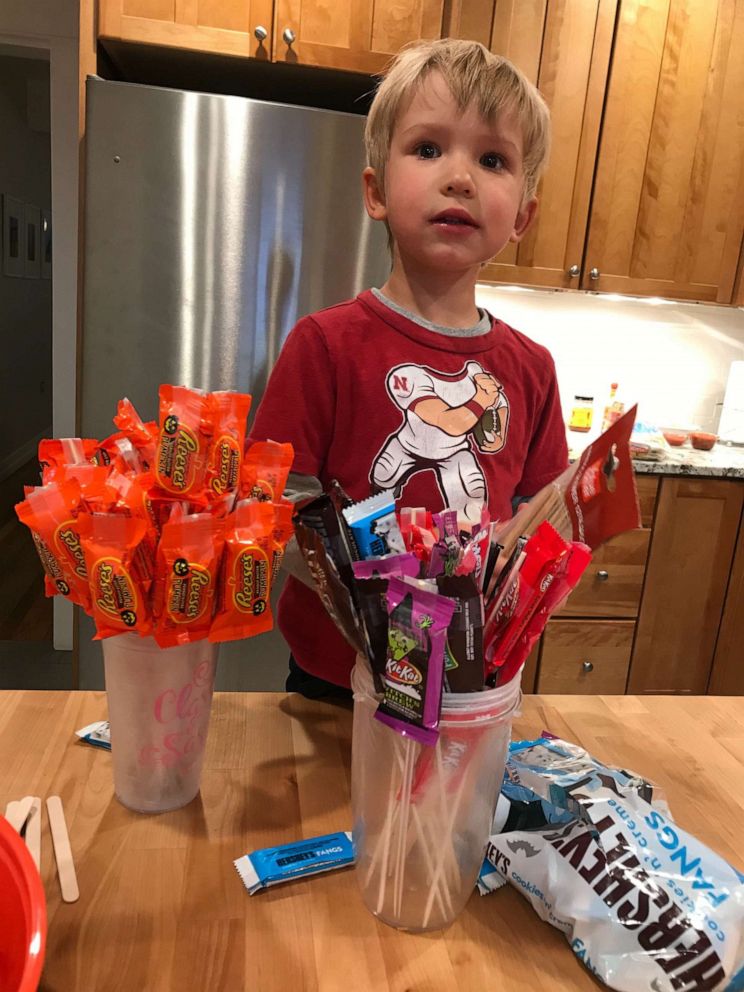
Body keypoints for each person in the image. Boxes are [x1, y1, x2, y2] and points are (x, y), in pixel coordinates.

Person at [248, 38, 569, 699]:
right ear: (376, 192)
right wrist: (385, 588)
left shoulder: (532, 370)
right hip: (335, 683)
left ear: (523, 218)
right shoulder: (323, 346)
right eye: (428, 149)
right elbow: (272, 507)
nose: (461, 176)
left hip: (464, 686)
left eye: (492, 159)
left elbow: (543, 521)